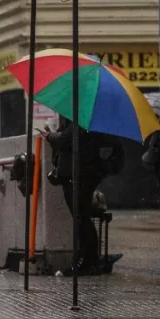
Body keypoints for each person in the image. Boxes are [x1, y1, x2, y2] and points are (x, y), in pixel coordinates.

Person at [42, 116, 124, 273]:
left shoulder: (82, 115)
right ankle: (88, 259)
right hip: (77, 173)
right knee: (80, 217)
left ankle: (88, 260)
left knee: (81, 217)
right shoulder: (77, 115)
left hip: (80, 173)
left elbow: (68, 139)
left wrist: (50, 137)